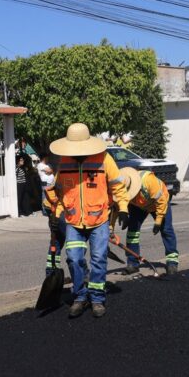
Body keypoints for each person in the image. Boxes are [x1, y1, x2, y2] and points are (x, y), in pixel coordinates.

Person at [46, 122, 130, 318]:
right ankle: (80, 296)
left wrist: (123, 208)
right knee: (74, 259)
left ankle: (97, 298)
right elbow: (60, 192)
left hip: (99, 220)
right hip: (74, 221)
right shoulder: (65, 162)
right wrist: (56, 213)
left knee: (99, 259)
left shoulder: (104, 159)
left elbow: (118, 186)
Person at [118, 167, 179, 275]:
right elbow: (115, 205)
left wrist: (158, 221)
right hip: (138, 205)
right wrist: (122, 215)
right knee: (132, 232)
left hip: (158, 204)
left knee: (166, 230)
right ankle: (133, 263)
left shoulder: (149, 181)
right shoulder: (121, 184)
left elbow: (161, 202)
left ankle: (172, 262)